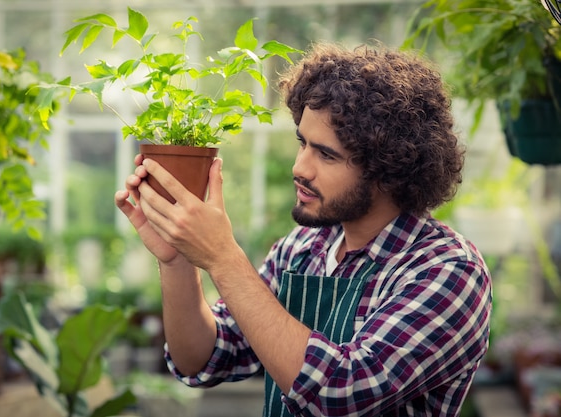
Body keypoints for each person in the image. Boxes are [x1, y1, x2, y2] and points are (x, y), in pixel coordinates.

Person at [115, 42, 492, 417]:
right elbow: (204, 358)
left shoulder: (449, 271)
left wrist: (223, 256)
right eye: (302, 143)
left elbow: (342, 393)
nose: (300, 168)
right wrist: (178, 260)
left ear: (389, 170)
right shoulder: (301, 251)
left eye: (326, 155)